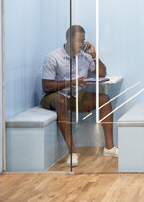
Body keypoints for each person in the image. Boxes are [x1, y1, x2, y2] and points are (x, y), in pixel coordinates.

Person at [41, 25, 118, 166]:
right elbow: (46, 86)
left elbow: (102, 73)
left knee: (104, 99)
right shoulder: (53, 57)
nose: (81, 44)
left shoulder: (85, 57)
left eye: (83, 40)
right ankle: (73, 152)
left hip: (75, 96)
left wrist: (94, 55)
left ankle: (109, 147)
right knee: (61, 102)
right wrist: (72, 82)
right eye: (78, 41)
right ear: (68, 39)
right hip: (55, 96)